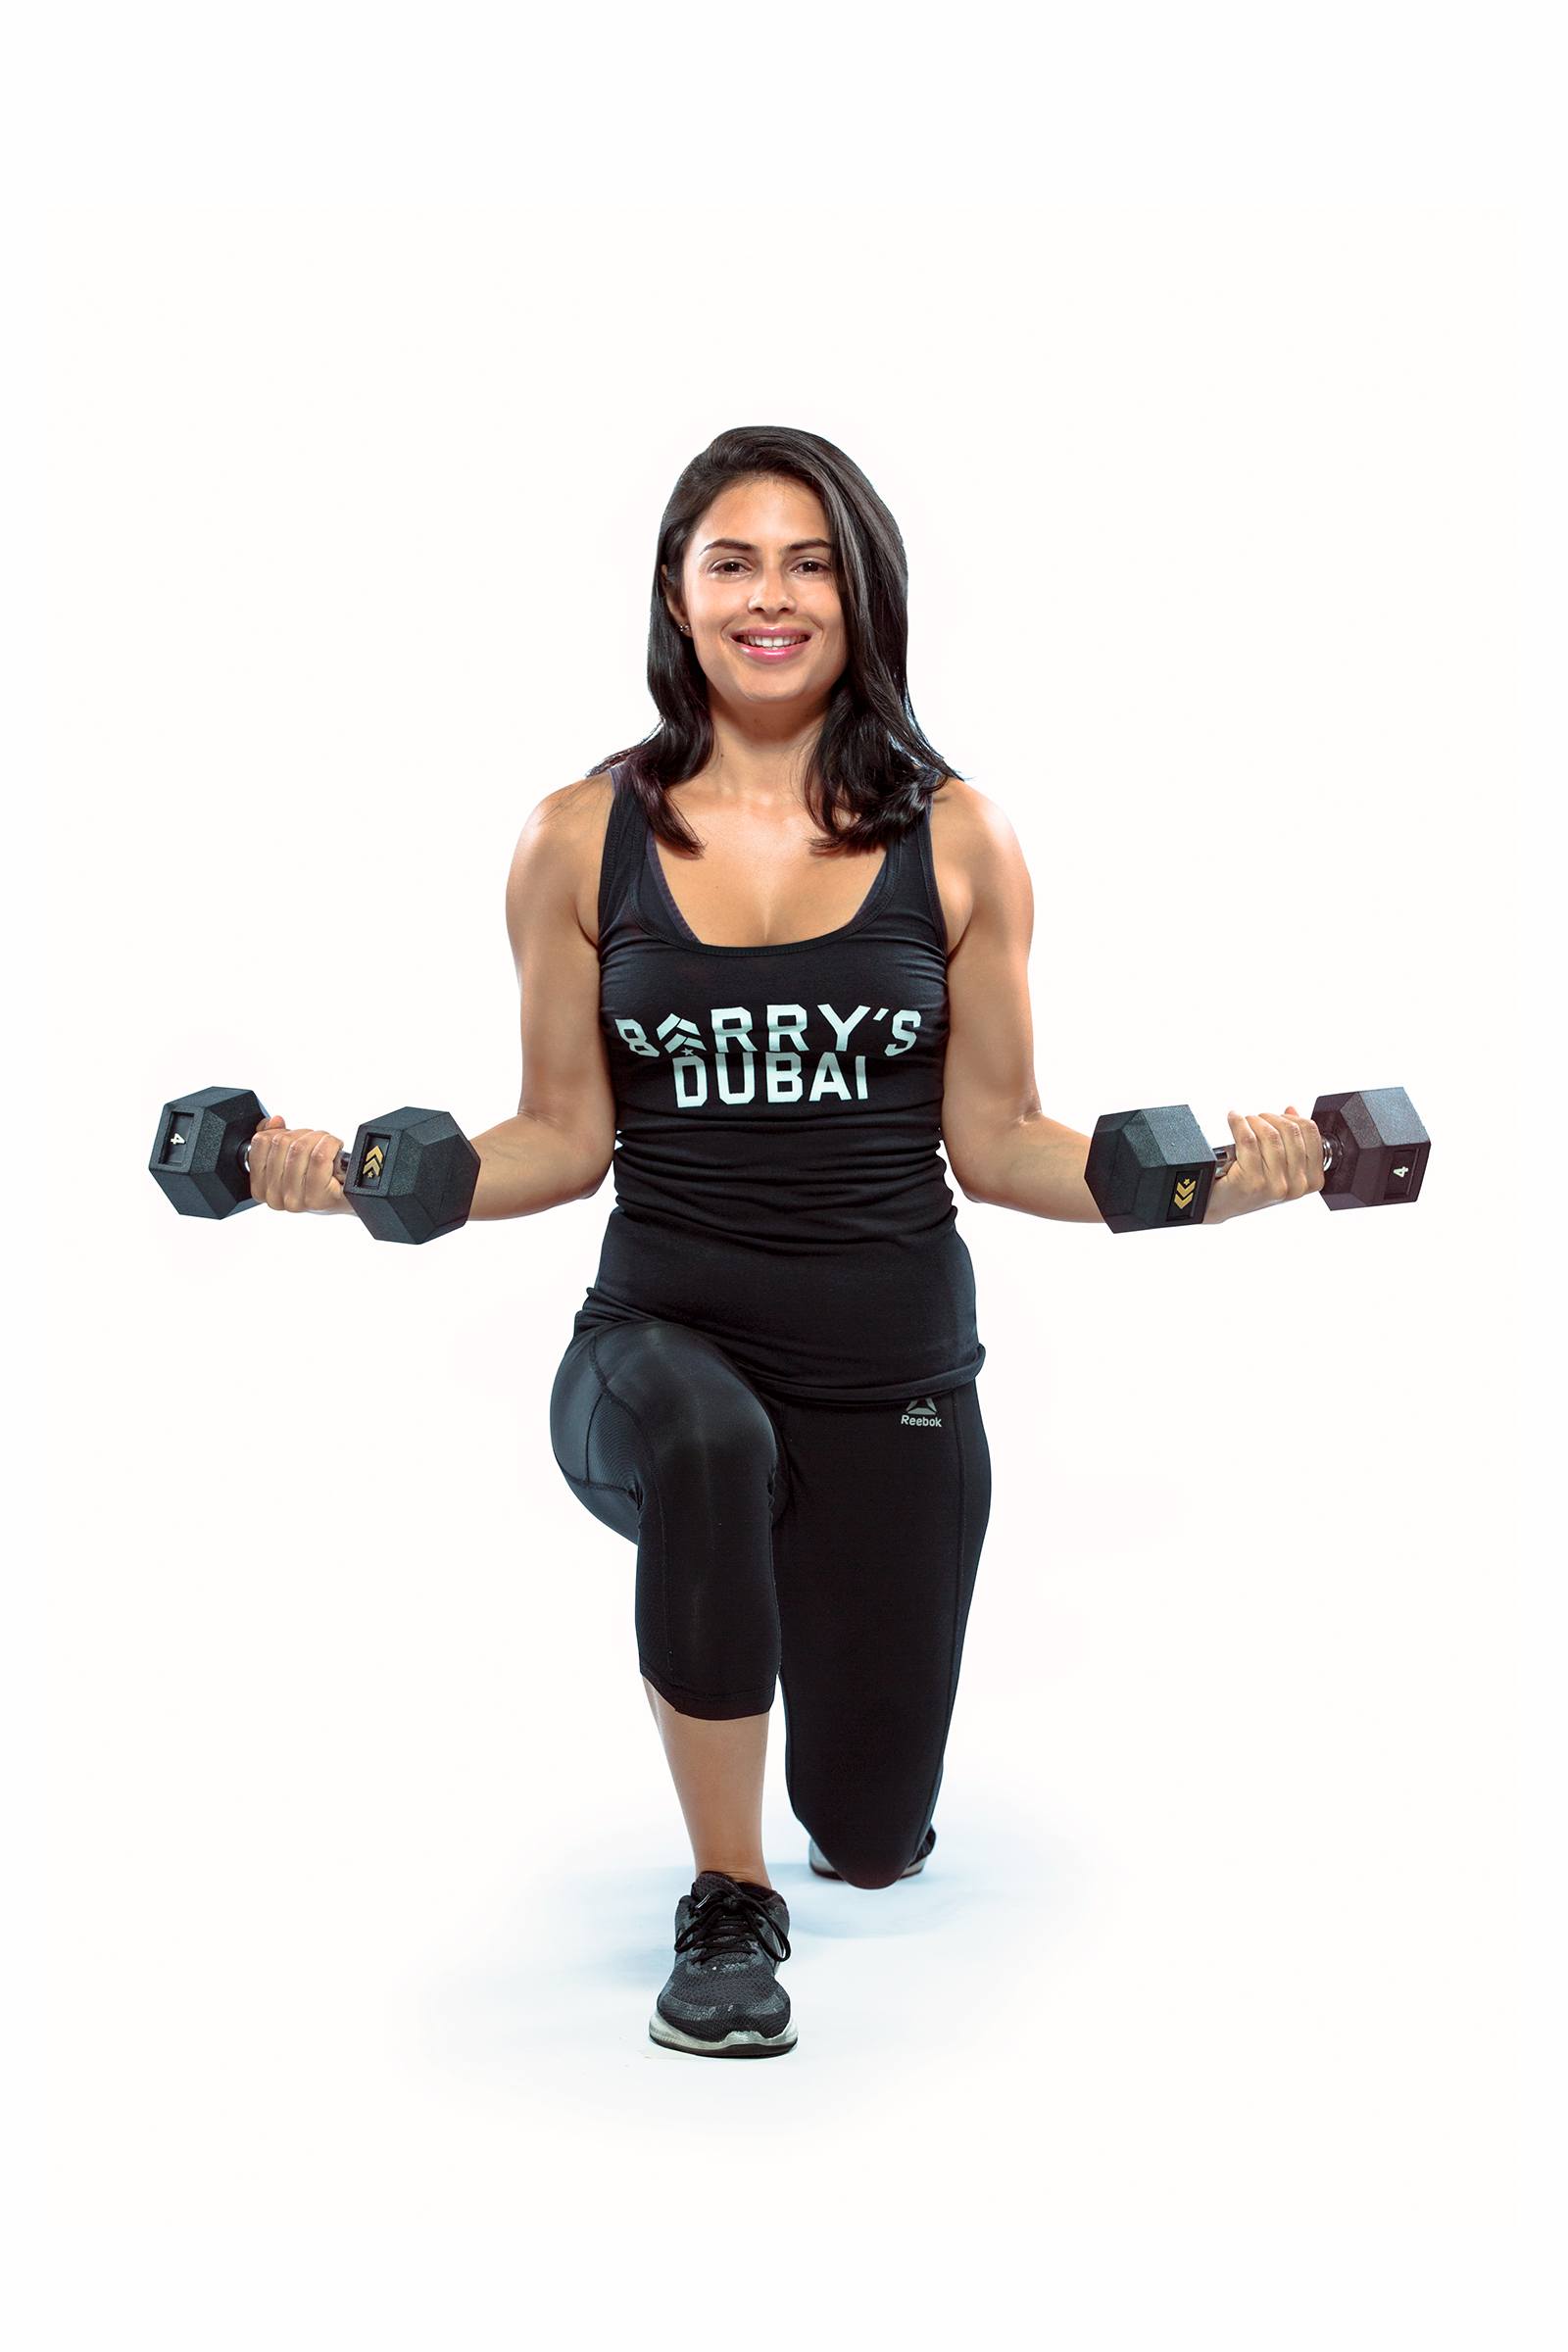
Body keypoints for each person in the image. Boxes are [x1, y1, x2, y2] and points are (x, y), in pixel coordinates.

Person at [248, 426, 1323, 2060]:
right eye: (732, 561)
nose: (772, 597)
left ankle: (825, 1803)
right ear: (677, 595)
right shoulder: (574, 837)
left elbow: (1000, 1138)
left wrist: (1215, 1181)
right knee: (704, 1442)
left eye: (810, 562)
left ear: (863, 592)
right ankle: (729, 1900)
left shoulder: (956, 837)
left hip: (891, 1376)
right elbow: (560, 1131)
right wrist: (350, 1176)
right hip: (660, 1344)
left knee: (879, 1839)